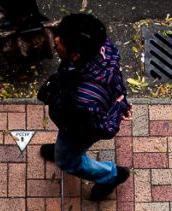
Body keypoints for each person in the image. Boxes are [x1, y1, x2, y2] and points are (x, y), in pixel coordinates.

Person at [37, 13, 131, 201]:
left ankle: (110, 176)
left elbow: (103, 128)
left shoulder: (83, 100)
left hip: (78, 128)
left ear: (75, 54)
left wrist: (118, 108)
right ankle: (62, 149)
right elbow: (114, 74)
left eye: (61, 40)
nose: (55, 40)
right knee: (64, 146)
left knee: (67, 160)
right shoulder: (101, 45)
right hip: (75, 116)